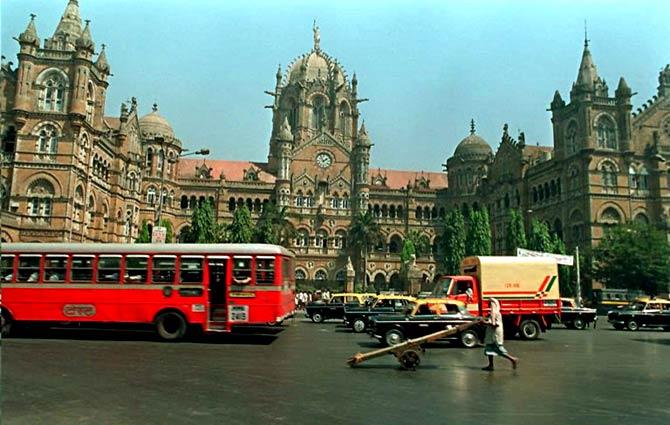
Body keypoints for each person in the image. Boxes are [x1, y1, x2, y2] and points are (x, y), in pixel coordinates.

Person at [482, 298, 518, 371]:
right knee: (489, 348)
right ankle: (491, 365)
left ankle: (512, 359)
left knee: (498, 349)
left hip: (494, 334)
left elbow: (494, 324)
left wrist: (484, 322)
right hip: (491, 333)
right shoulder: (494, 313)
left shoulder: (495, 313)